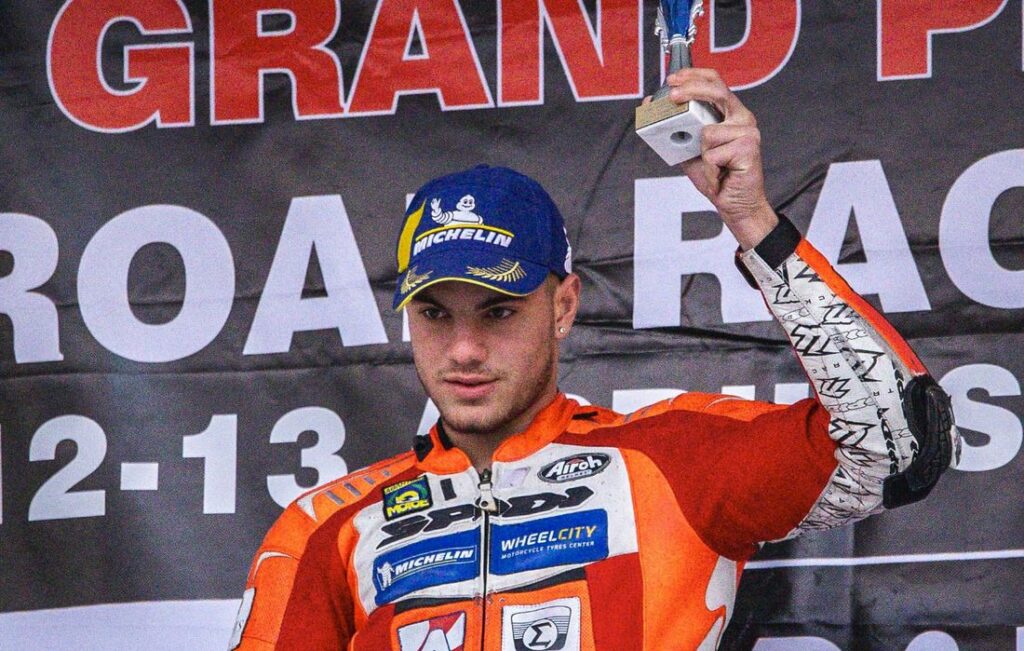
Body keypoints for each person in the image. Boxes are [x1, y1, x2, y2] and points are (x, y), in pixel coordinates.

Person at [228, 69, 959, 650]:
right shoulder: (328, 526)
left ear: (564, 306)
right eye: (435, 314)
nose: (464, 349)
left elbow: (903, 443)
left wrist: (754, 223)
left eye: (499, 311)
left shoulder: (671, 463)